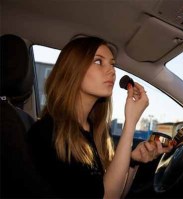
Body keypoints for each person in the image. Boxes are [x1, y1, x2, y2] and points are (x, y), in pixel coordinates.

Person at [27, 36, 172, 198]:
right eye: (98, 61)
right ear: (72, 70)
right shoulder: (47, 133)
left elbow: (117, 193)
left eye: (112, 64)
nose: (112, 71)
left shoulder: (94, 129)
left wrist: (131, 162)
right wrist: (130, 123)